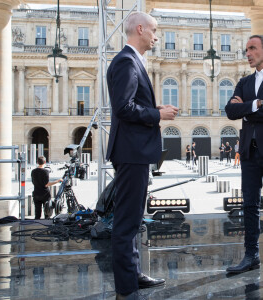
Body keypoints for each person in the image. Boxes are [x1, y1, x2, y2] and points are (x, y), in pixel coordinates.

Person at [106, 12, 178, 299]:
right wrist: (157, 114)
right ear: (140, 29)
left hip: (134, 150)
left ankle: (133, 274)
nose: (157, 36)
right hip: (131, 150)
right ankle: (126, 286)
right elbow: (123, 108)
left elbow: (131, 104)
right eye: (154, 30)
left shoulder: (132, 60)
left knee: (133, 217)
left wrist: (153, 109)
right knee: (126, 221)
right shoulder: (126, 61)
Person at [225, 35, 263, 274]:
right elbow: (230, 111)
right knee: (249, 204)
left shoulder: (245, 89)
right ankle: (251, 255)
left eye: (252, 48)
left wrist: (246, 110)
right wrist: (256, 105)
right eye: (246, 49)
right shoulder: (244, 82)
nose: (247, 53)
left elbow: (240, 110)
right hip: (249, 150)